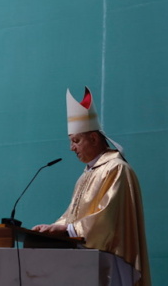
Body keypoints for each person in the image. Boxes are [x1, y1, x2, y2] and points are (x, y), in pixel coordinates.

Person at [32, 87, 151, 286]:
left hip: (111, 260)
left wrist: (67, 229)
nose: (72, 148)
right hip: (86, 262)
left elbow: (107, 219)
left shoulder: (116, 169)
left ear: (94, 138)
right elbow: (73, 215)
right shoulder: (87, 174)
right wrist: (53, 227)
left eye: (76, 141)